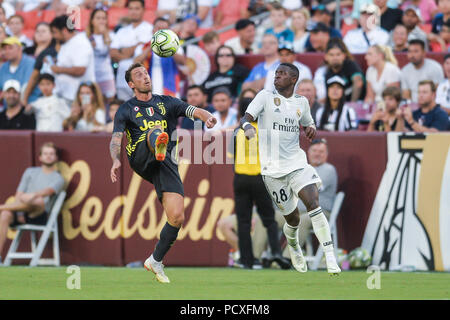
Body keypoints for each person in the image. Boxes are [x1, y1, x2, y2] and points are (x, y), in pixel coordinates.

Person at [109, 63, 217, 283]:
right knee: (155, 131)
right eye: (139, 75)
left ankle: (155, 260)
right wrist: (115, 160)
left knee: (177, 217)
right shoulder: (126, 108)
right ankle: (157, 142)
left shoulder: (167, 102)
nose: (145, 77)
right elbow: (116, 138)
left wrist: (207, 117)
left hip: (164, 159)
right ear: (131, 84)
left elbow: (192, 110)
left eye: (146, 73)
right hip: (140, 155)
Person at [239, 62, 341, 274]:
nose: (277, 76)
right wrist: (248, 127)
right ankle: (293, 245)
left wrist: (311, 129)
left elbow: (308, 123)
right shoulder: (265, 96)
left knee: (313, 203)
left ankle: (331, 256)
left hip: (297, 163)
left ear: (293, 79)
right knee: (292, 219)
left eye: (282, 74)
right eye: (276, 73)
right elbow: (245, 118)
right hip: (272, 170)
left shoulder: (301, 102)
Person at [223, 93, 290, 270]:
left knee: (243, 221)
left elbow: (232, 158)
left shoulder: (237, 131)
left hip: (241, 178)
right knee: (269, 219)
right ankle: (275, 252)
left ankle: (247, 260)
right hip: (260, 177)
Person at [0, 142, 65, 265]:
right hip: (22, 212)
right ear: (40, 157)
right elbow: (18, 195)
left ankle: (2, 206)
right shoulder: (30, 172)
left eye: (51, 154)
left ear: (56, 157)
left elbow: (46, 193)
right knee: (5, 214)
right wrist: (19, 211)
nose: (48, 156)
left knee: (38, 200)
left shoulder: (58, 178)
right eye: (45, 153)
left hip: (40, 214)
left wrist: (31, 195)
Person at [294, 138, 337, 251]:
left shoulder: (328, 170)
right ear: (308, 153)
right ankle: (252, 258)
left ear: (326, 154)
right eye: (314, 151)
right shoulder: (301, 168)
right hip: (297, 211)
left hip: (320, 213)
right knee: (270, 217)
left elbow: (311, 188)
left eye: (321, 151)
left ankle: (288, 259)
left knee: (302, 219)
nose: (317, 154)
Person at [110, 0, 153, 101]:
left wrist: (122, 51)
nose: (133, 12)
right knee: (124, 114)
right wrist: (136, 47)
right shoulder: (121, 31)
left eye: (137, 8)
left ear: (143, 10)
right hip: (122, 79)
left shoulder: (150, 29)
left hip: (142, 81)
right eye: (131, 8)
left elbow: (145, 54)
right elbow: (113, 54)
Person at [49, 15, 95, 106]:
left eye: (55, 32)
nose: (54, 36)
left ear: (65, 31)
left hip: (80, 98)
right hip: (67, 96)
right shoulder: (67, 43)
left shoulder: (81, 43)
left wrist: (58, 69)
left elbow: (80, 70)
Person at [134, 17, 185, 98]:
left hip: (170, 90)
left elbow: (183, 61)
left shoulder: (175, 45)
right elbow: (136, 63)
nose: (161, 32)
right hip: (149, 90)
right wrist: (153, 45)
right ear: (153, 30)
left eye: (164, 29)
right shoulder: (143, 47)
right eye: (158, 29)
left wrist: (169, 46)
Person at [85, 8, 116, 102]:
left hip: (107, 76)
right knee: (88, 104)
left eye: (103, 18)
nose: (101, 21)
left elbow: (114, 56)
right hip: (90, 77)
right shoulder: (84, 37)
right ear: (92, 20)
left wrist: (106, 37)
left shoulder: (112, 35)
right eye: (98, 18)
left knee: (109, 106)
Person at [0, 36, 40, 103]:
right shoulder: (4, 67)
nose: (7, 51)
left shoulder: (31, 63)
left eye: (10, 48)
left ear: (20, 48)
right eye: (4, 48)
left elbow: (25, 87)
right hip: (9, 109)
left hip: (28, 107)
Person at [324, 38, 365, 102]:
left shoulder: (350, 64)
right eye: (331, 55)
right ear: (326, 57)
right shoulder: (327, 72)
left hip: (358, 102)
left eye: (338, 54)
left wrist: (352, 103)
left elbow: (358, 82)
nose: (335, 58)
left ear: (344, 56)